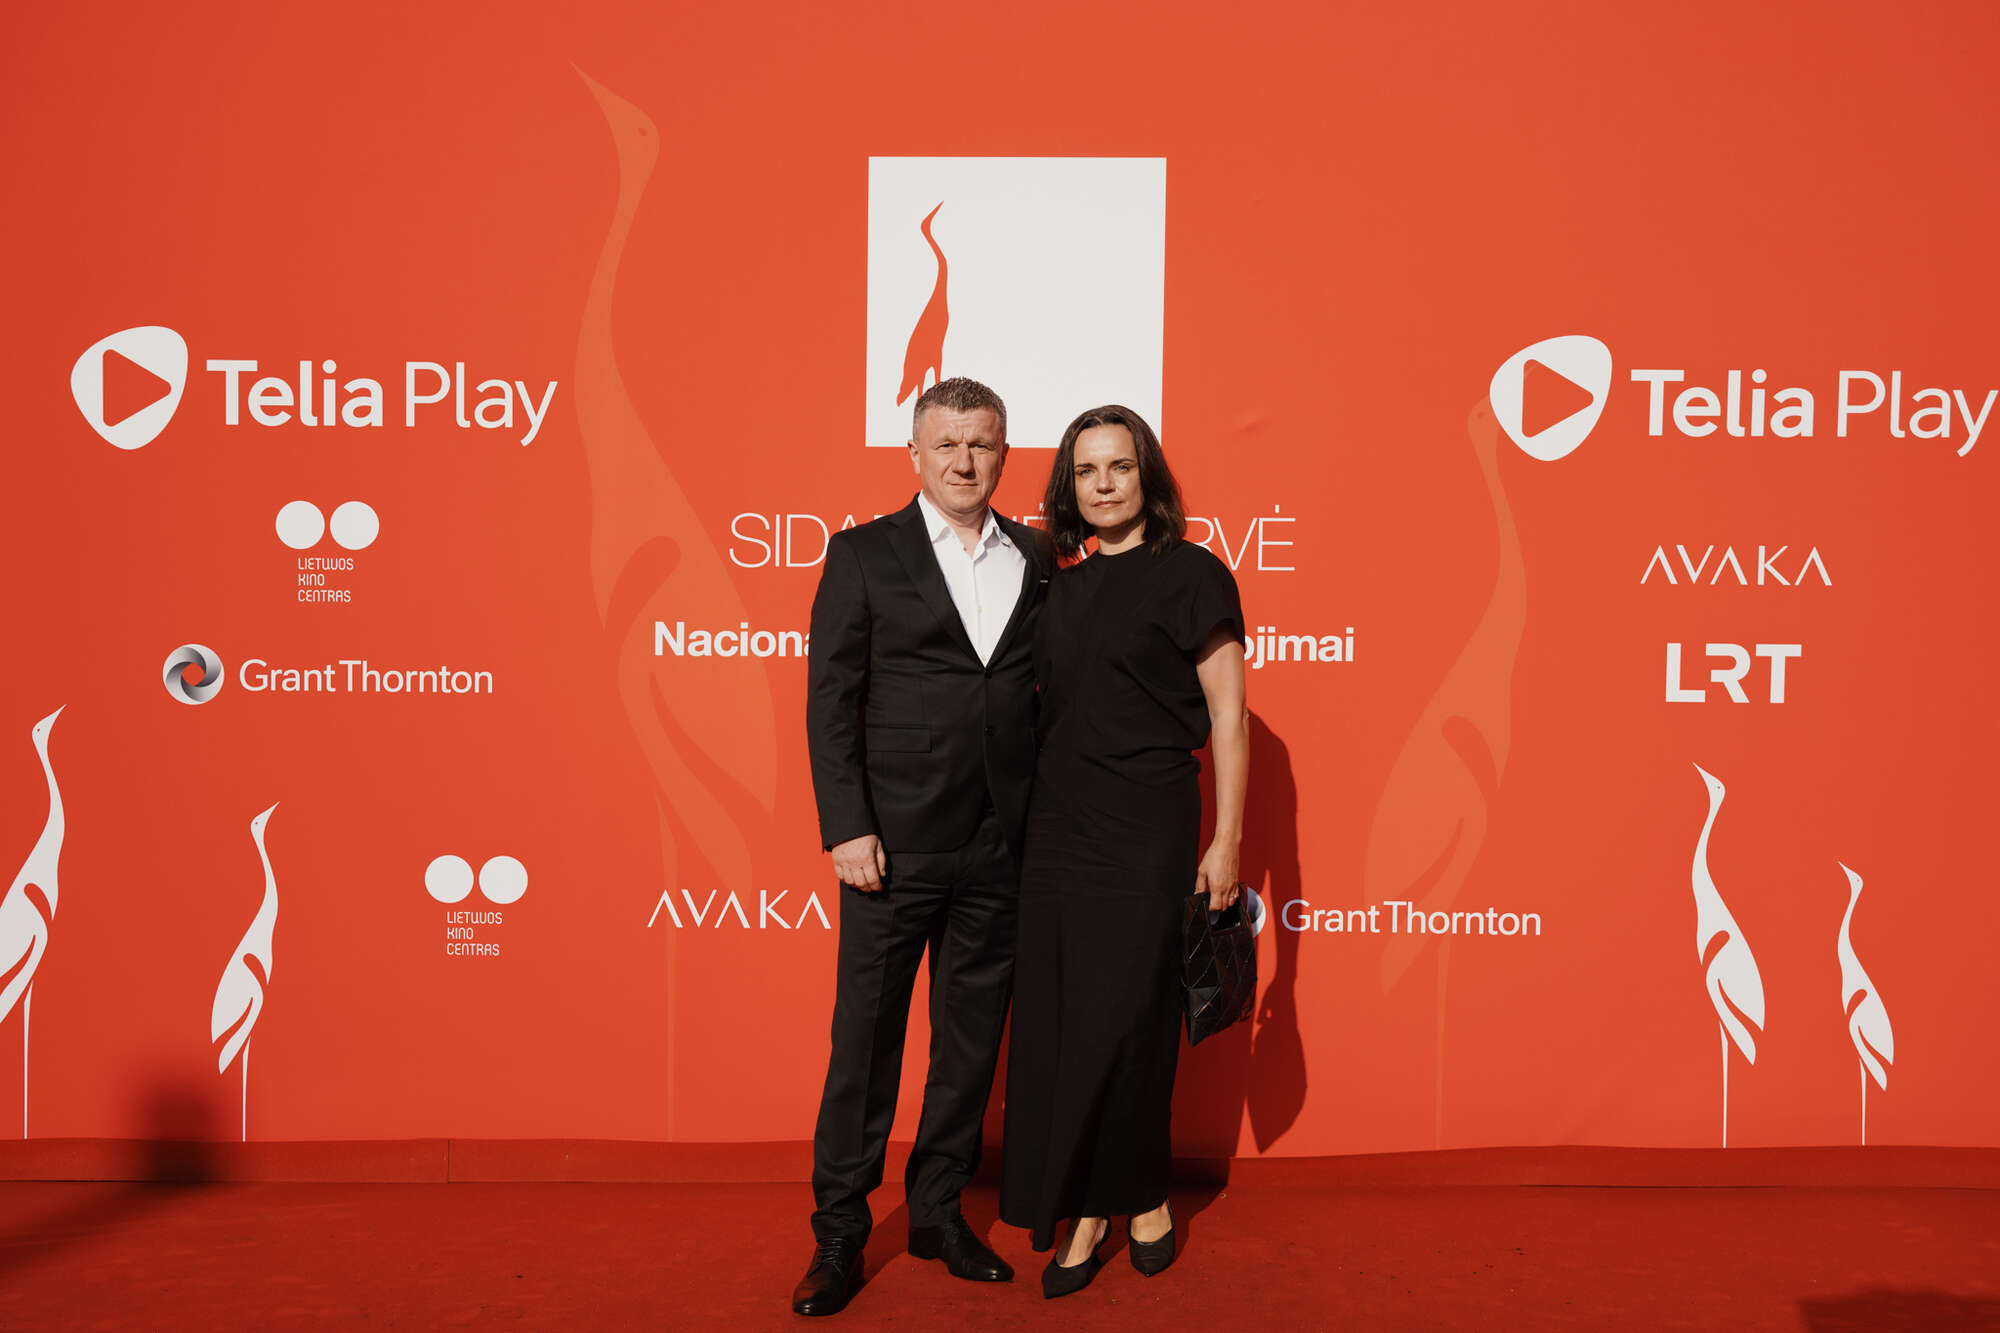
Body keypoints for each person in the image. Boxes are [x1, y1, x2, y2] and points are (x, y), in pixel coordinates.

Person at [791, 377, 1051, 1317]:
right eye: (946, 444)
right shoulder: (863, 554)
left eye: (981, 444)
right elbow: (831, 701)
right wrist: (846, 824)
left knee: (970, 1043)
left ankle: (939, 1211)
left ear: (1004, 452)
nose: (963, 461)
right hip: (891, 846)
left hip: (1000, 845)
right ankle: (840, 1232)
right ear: (914, 453)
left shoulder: (1037, 556)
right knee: (866, 1043)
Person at [999, 404, 1249, 1298]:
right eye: (1086, 471)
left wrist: (1226, 839)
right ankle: (1109, 1199)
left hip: (1147, 825)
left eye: (1120, 466)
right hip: (1058, 832)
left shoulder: (1193, 574)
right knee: (1067, 1021)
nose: (1103, 484)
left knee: (1130, 1017)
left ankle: (1120, 1200)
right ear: (1068, 488)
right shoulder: (1056, 588)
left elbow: (1228, 715)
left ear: (1149, 476)